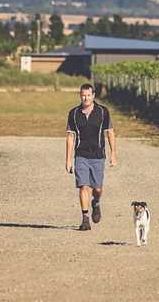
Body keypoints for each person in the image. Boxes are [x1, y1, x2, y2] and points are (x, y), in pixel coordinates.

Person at [65, 83, 117, 231]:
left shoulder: (102, 112)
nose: (85, 98)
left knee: (98, 188)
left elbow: (110, 133)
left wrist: (113, 154)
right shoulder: (74, 113)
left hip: (98, 155)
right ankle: (85, 219)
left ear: (93, 96)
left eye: (88, 95)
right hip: (81, 155)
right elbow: (70, 137)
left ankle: (96, 202)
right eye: (83, 95)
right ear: (80, 95)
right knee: (83, 186)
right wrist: (68, 160)